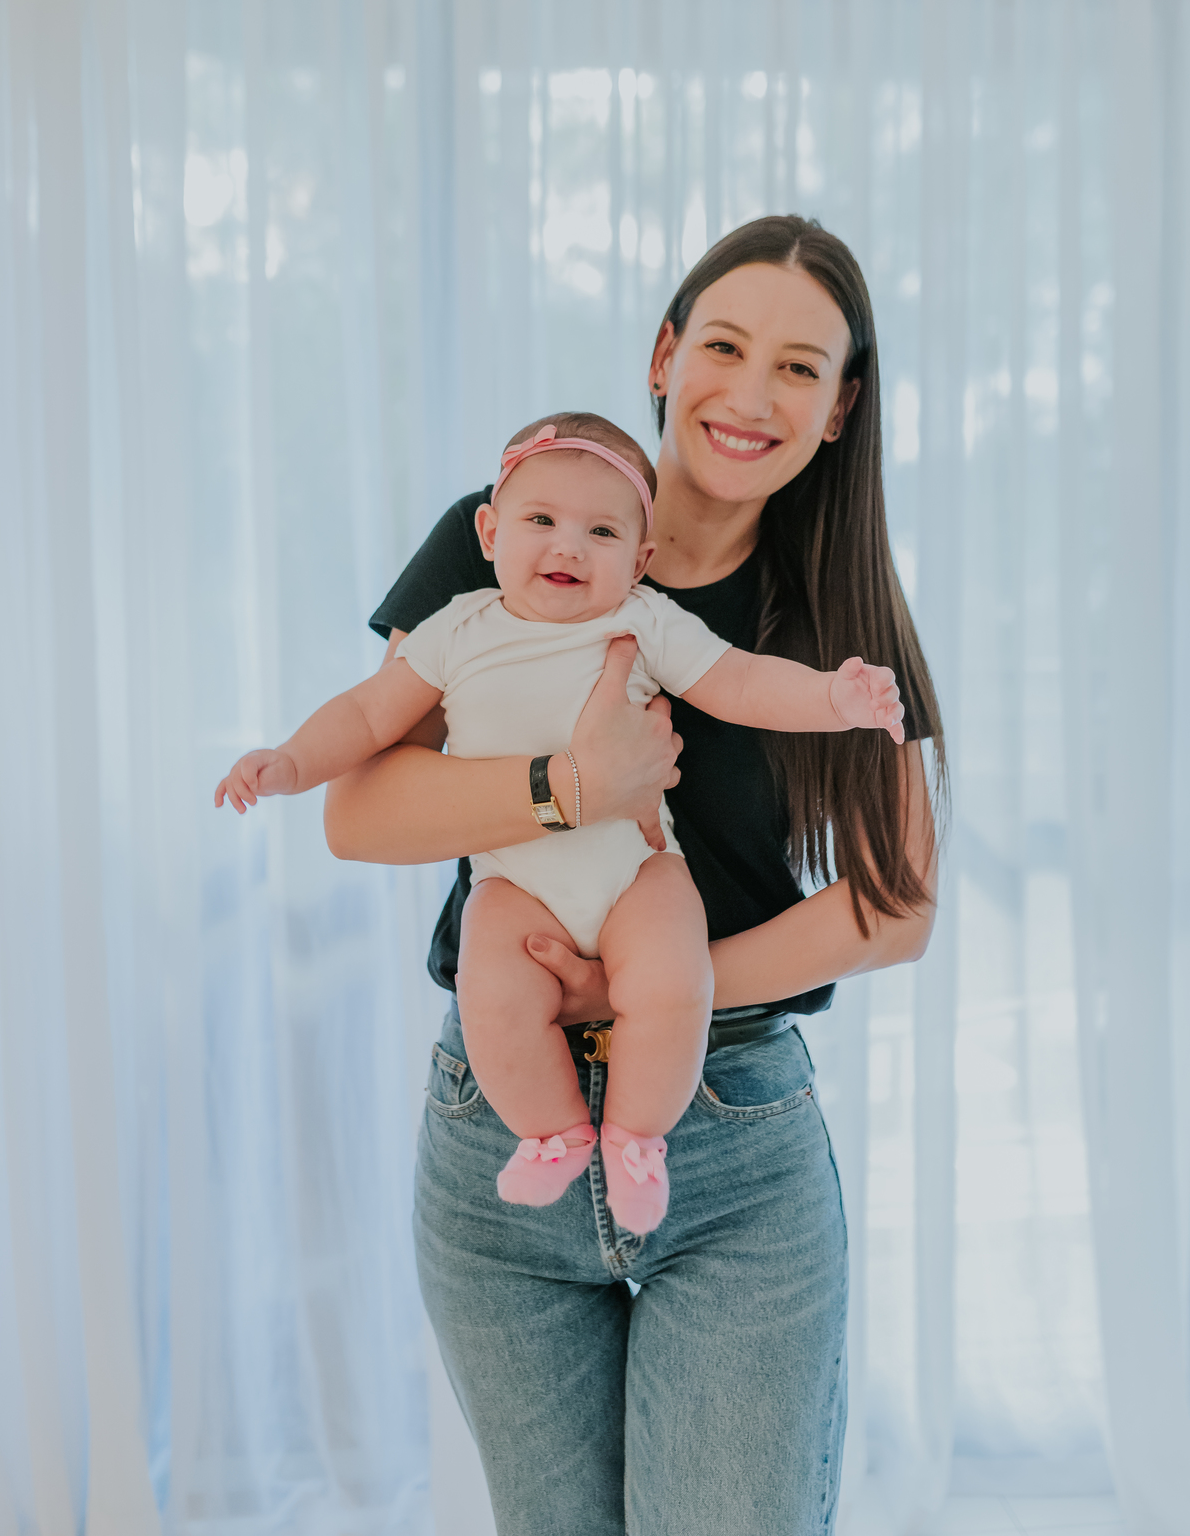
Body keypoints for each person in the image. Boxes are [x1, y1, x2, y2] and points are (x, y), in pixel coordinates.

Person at [324, 215, 946, 1535]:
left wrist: (649, 983)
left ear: (840, 408)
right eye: (724, 344)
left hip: (734, 1139)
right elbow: (359, 811)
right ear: (665, 355)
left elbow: (897, 906)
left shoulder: (838, 610)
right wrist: (570, 785)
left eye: (800, 367)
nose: (751, 392)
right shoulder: (517, 531)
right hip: (501, 1124)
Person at [215, 410, 905, 1236]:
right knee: (493, 993)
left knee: (672, 978)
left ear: (639, 560)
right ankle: (553, 1133)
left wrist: (835, 698)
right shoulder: (457, 629)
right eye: (541, 520)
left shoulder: (644, 619)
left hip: (636, 869)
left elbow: (743, 684)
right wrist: (290, 762)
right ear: (489, 532)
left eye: (602, 531)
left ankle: (638, 1139)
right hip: (515, 880)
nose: (568, 547)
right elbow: (366, 715)